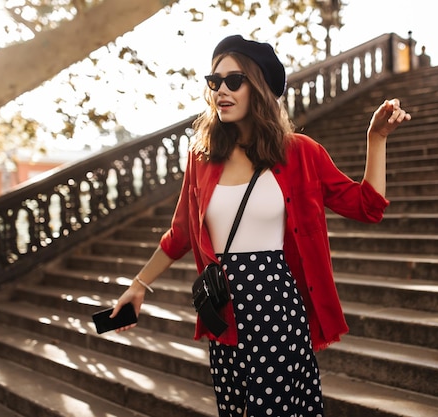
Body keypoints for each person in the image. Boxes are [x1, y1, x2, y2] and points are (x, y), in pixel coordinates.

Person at [111, 34, 411, 417]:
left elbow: (367, 206)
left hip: (276, 304)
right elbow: (182, 233)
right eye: (214, 81)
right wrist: (138, 287)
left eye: (234, 80)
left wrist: (377, 138)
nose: (221, 89)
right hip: (222, 311)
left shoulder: (301, 152)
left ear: (259, 87)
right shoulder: (202, 159)